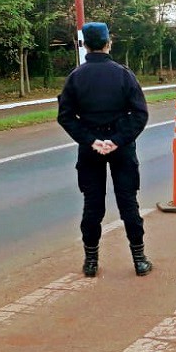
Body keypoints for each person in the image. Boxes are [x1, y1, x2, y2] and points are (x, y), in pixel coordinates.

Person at [57, 22, 153, 277]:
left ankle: (90, 262)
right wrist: (118, 140)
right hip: (121, 148)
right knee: (128, 204)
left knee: (93, 206)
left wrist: (91, 140)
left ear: (85, 45)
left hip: (91, 150)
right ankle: (140, 259)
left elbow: (65, 116)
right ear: (108, 42)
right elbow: (140, 113)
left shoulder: (75, 77)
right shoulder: (124, 75)